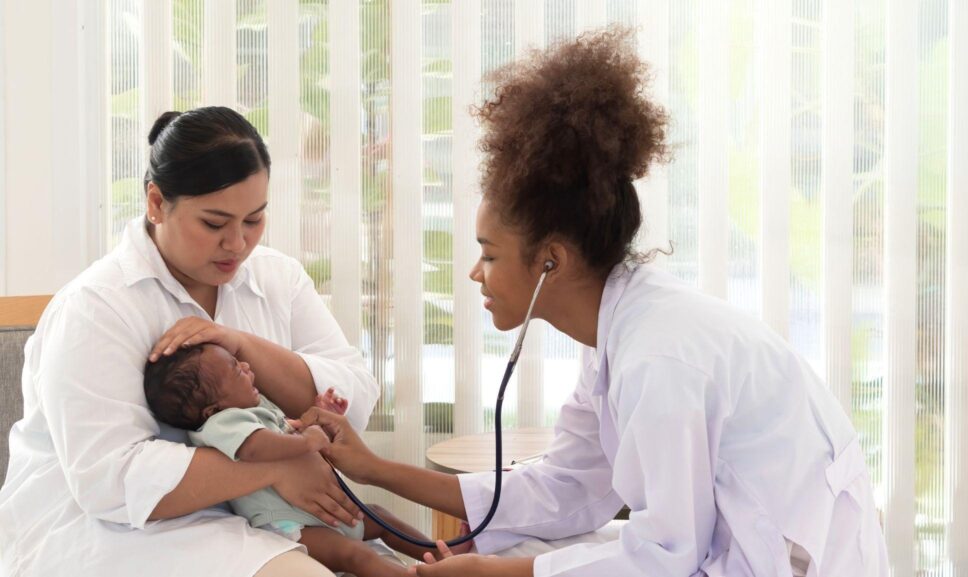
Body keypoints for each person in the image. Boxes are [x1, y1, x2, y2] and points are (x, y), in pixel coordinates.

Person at [295, 27, 889, 577]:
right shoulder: (619, 333)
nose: (476, 273)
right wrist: (371, 467)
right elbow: (568, 489)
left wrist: (493, 572)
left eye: (491, 254)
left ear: (551, 259)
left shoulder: (659, 357)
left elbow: (664, 557)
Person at [0, 107, 381, 577]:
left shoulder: (278, 278)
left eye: (254, 220)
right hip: (114, 530)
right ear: (157, 203)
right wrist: (275, 468)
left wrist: (242, 345)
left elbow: (355, 403)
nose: (238, 245)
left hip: (252, 517)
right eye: (214, 224)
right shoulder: (94, 307)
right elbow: (109, 481)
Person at [143, 343, 470, 576]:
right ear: (211, 407)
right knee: (353, 555)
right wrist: (308, 441)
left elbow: (292, 434)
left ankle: (440, 553)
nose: (245, 366)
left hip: (321, 515)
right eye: (234, 369)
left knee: (379, 517)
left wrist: (320, 417)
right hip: (290, 527)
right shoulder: (222, 424)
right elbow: (256, 448)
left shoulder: (257, 410)